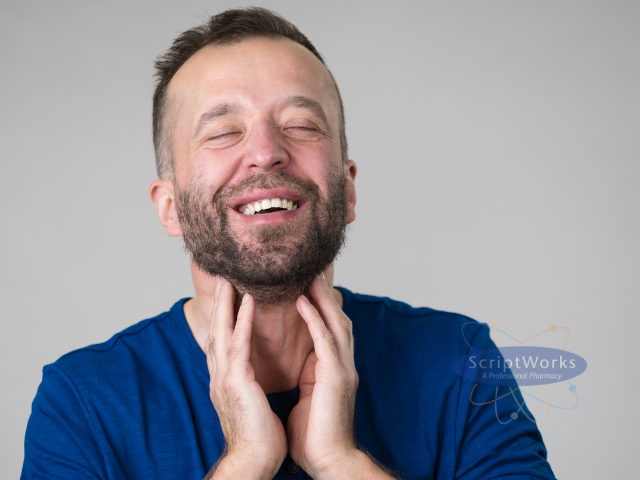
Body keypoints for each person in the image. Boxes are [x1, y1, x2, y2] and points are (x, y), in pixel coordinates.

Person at [22, 7, 557, 480]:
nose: (266, 151)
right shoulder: (82, 401)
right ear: (170, 208)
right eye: (222, 131)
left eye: (300, 124)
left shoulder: (459, 361)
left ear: (347, 189)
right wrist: (245, 463)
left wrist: (341, 463)